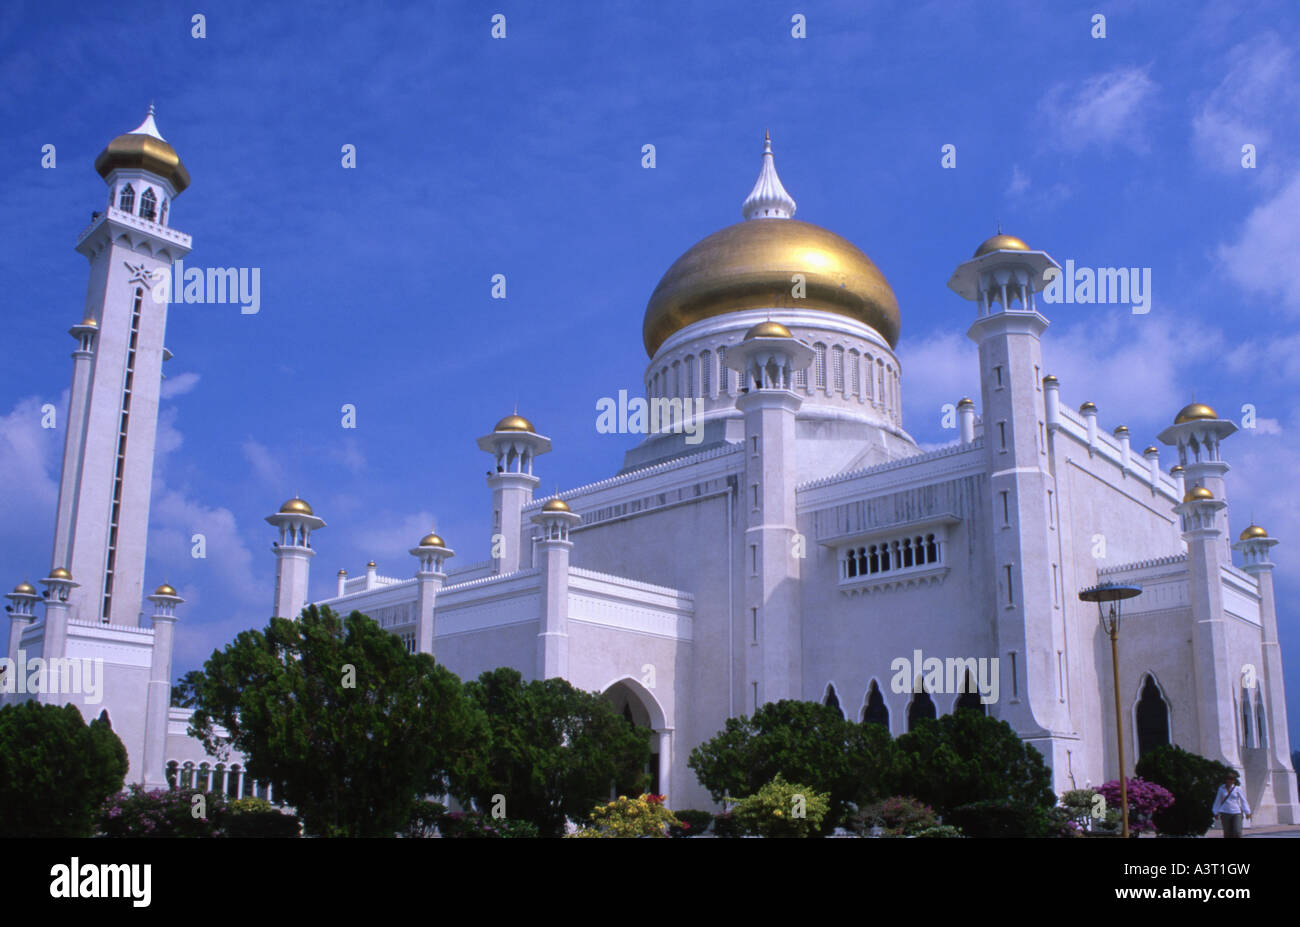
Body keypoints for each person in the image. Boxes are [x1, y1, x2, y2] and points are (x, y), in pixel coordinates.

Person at [1211, 770, 1251, 838]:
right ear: (1226, 780)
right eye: (1228, 779)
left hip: (1236, 812)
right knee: (1227, 833)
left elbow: (1243, 800)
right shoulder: (1221, 789)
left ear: (1234, 781)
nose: (1230, 781)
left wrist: (1247, 812)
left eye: (1232, 779)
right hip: (1225, 812)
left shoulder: (1237, 789)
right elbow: (1218, 801)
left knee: (1237, 831)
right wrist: (1215, 812)